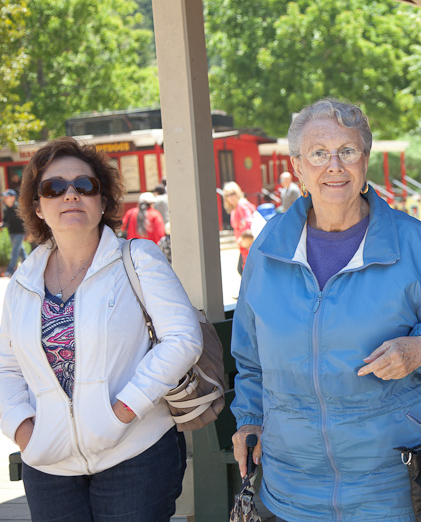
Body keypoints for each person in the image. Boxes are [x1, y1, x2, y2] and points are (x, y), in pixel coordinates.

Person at [229, 99, 421, 521]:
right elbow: (251, 359)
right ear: (297, 167)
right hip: (291, 488)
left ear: (365, 161)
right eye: (318, 153)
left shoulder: (416, 245)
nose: (334, 166)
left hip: (396, 486)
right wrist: (250, 418)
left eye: (347, 151)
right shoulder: (269, 248)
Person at [0, 137, 202, 522]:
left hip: (135, 454)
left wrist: (123, 412)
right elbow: (6, 367)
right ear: (38, 207)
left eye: (85, 185)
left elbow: (183, 339)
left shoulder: (138, 258)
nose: (70, 194)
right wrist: (25, 432)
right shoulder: (23, 282)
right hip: (49, 466)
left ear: (104, 201)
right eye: (54, 187)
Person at [222, 182, 256, 275]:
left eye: (232, 193)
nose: (231, 197)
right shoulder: (235, 208)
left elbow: (249, 221)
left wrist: (243, 236)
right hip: (243, 246)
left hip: (248, 244)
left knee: (245, 271)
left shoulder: (241, 204)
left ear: (237, 193)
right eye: (227, 195)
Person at [2, 189, 27, 277]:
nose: (5, 198)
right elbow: (6, 222)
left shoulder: (18, 208)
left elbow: (25, 219)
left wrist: (27, 232)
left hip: (20, 232)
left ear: (13, 198)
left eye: (7, 196)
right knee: (21, 250)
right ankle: (29, 266)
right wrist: (2, 225)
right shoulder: (6, 209)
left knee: (15, 251)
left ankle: (10, 270)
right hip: (11, 232)